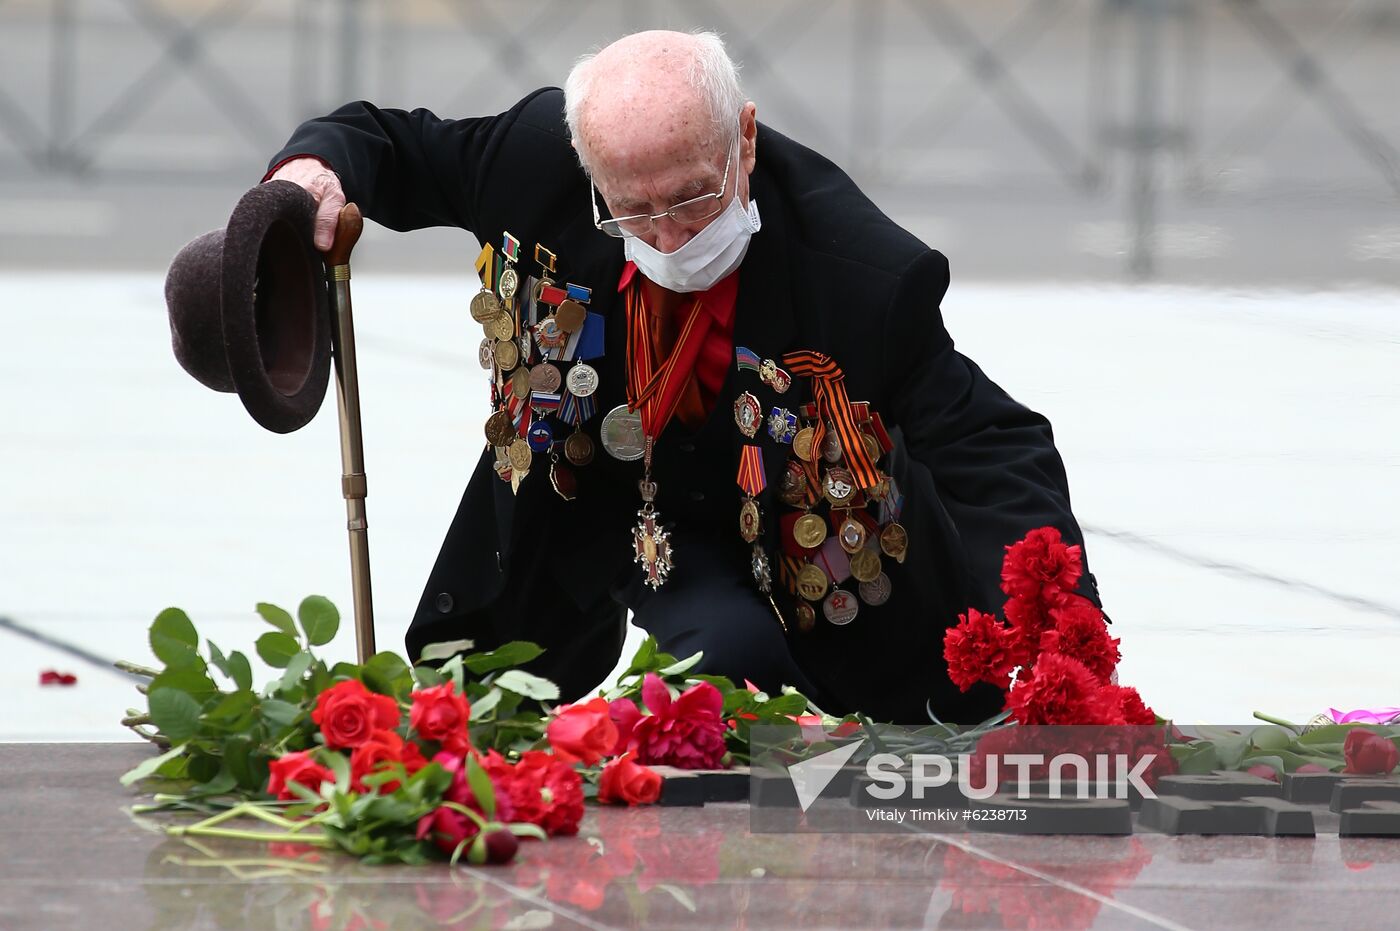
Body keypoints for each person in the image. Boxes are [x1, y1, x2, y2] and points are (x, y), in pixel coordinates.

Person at [264, 30, 1101, 723]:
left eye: (694, 200)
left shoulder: (863, 276)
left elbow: (995, 443)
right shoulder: (534, 163)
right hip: (592, 483)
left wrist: (1058, 639)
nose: (666, 239)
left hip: (770, 524)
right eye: (631, 208)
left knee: (722, 681)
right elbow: (395, 143)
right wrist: (310, 177)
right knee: (476, 698)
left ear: (743, 138)